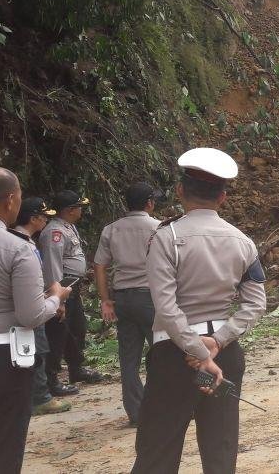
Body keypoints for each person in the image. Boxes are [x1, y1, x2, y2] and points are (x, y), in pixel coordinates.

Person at [132, 148, 267, 474]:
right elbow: (255, 303)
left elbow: (166, 305)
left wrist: (197, 351)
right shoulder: (243, 242)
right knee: (220, 452)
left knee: (157, 451)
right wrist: (217, 343)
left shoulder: (166, 238)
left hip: (174, 355)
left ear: (180, 191)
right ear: (223, 196)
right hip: (225, 354)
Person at [0, 167, 70, 473]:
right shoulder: (17, 247)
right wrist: (56, 297)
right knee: (3, 445)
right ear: (9, 200)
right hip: (2, 359)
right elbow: (30, 314)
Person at [93, 182, 162, 426]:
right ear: (150, 203)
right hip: (151, 299)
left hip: (122, 298)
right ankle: (165, 405)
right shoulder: (159, 228)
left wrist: (105, 300)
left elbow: (100, 266)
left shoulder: (111, 230)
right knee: (163, 353)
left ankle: (137, 413)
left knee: (129, 359)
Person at [38, 190, 103, 392]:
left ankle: (76, 368)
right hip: (62, 289)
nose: (81, 211)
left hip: (72, 289)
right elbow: (53, 265)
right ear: (69, 210)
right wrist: (59, 298)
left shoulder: (68, 228)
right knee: (58, 334)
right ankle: (52, 378)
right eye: (79, 207)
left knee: (76, 330)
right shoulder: (54, 232)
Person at [13, 198, 71, 416]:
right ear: (33, 218)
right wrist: (57, 297)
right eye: (43, 216)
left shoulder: (25, 240)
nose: (46, 219)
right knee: (37, 350)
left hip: (35, 299)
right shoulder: (21, 243)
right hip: (31, 306)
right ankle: (40, 397)